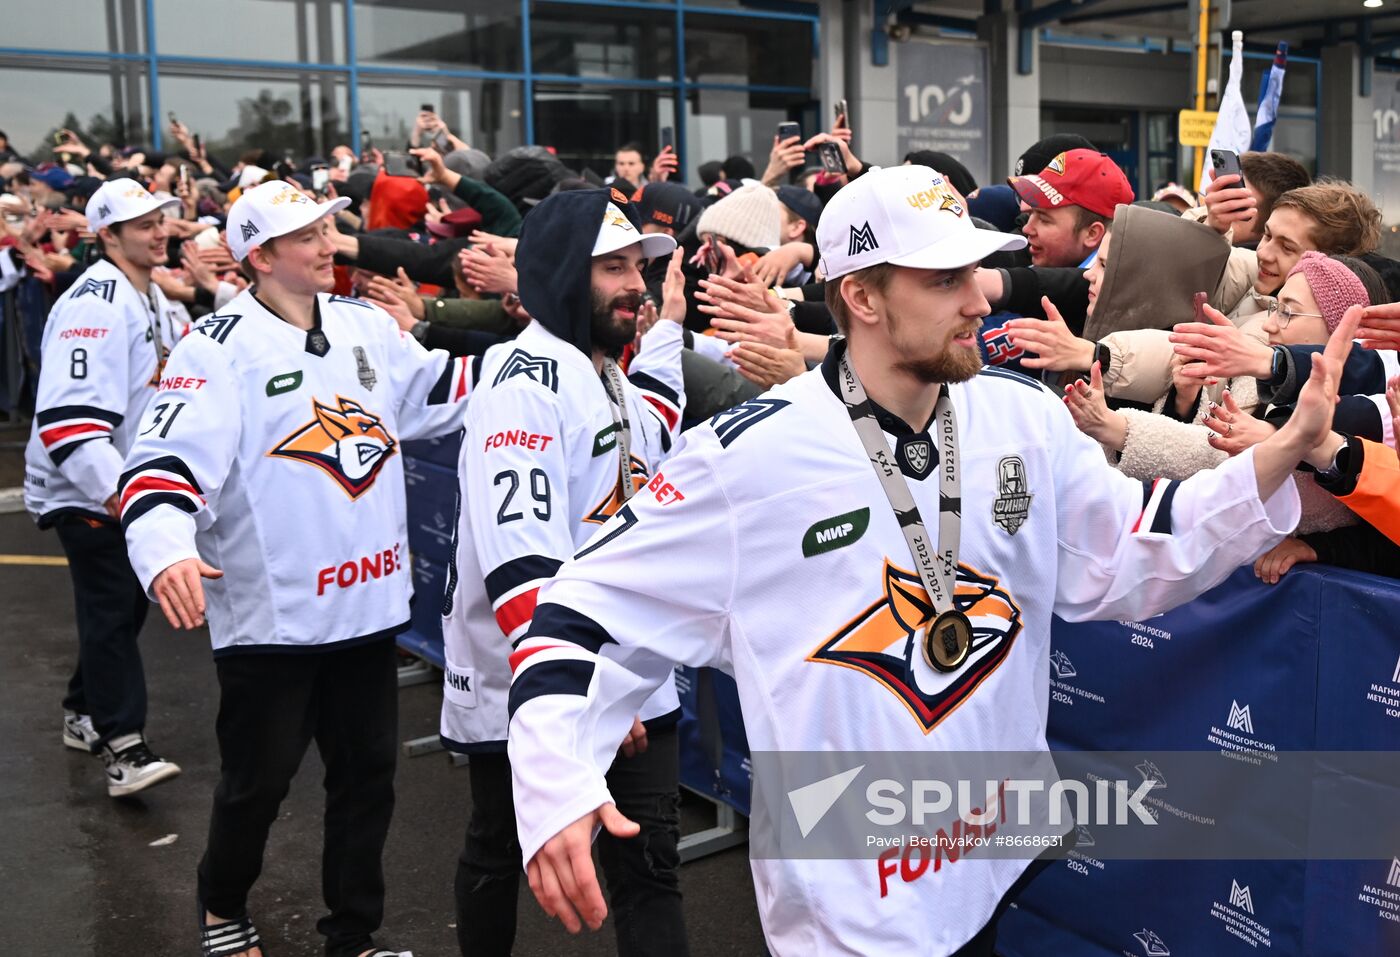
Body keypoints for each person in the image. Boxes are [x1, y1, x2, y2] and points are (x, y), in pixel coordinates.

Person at [503, 165, 1348, 955]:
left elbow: (1126, 550)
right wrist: (554, 778)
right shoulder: (745, 459)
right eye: (944, 280)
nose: (980, 298)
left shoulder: (1023, 417)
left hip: (987, 860)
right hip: (853, 902)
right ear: (861, 296)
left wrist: (1279, 455)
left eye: (978, 271)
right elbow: (582, 610)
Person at [119, 180, 475, 957]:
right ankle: (221, 904)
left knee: (367, 781)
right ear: (259, 257)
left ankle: (353, 932)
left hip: (369, 613)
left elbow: (438, 393)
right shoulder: (216, 348)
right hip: (271, 622)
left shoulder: (365, 327)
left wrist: (543, 358)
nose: (327, 244)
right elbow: (160, 466)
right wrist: (167, 548)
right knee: (259, 784)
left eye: (326, 227)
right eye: (307, 235)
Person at [441, 186, 690, 957]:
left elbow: (650, 434)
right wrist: (589, 688)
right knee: (501, 842)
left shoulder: (608, 372)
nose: (635, 284)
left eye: (638, 267)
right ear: (558, 273)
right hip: (534, 669)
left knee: (650, 866)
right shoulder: (521, 380)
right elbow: (522, 563)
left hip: (631, 667)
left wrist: (671, 331)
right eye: (612, 267)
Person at [22, 179, 185, 796]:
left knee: (120, 608)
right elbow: (68, 421)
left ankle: (81, 711)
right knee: (113, 607)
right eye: (142, 225)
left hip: (124, 485)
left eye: (160, 219)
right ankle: (124, 747)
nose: (159, 230)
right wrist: (125, 497)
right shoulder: (94, 302)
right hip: (86, 489)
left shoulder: (153, 296)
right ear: (108, 236)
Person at [1008, 147, 1134, 268]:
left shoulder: (1103, 288)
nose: (1027, 228)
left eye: (1044, 219)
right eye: (1031, 214)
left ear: (1092, 234)